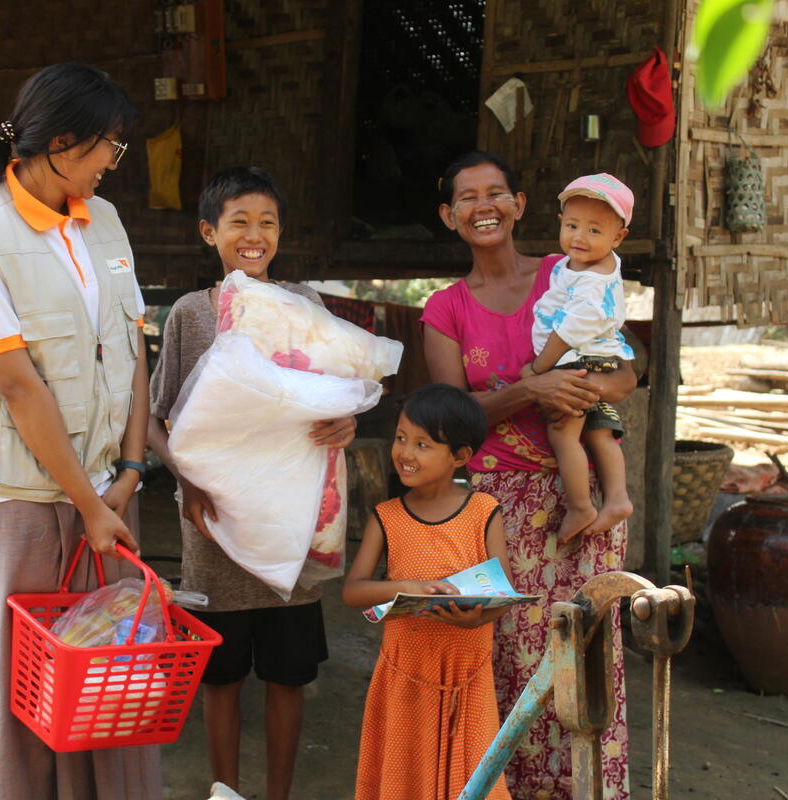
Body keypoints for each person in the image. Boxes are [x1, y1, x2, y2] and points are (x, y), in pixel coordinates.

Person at [0, 64, 160, 800]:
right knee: (35, 694)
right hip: (23, 501)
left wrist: (128, 473)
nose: (111, 163)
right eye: (107, 147)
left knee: (112, 685)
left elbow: (130, 350)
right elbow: (17, 385)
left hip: (107, 493)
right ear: (60, 141)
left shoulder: (106, 221)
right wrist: (88, 505)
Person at [420, 151, 637, 800]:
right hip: (496, 507)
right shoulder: (446, 308)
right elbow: (452, 417)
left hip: (579, 500)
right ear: (449, 216)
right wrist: (534, 388)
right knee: (508, 658)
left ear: (519, 205)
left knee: (585, 657)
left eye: (496, 193)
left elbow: (628, 368)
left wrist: (592, 386)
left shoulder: (568, 273)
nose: (482, 205)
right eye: (466, 196)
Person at [146, 166, 355, 800]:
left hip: (291, 521)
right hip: (214, 526)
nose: (254, 234)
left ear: (281, 232)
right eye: (239, 221)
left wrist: (344, 419)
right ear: (210, 232)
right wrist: (191, 484)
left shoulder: (306, 306)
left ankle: (278, 794)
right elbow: (157, 420)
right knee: (222, 675)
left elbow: (333, 392)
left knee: (289, 675)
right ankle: (224, 792)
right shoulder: (190, 314)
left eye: (267, 222)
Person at [343, 383, 513, 800]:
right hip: (406, 673)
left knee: (472, 782)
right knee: (405, 777)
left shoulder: (483, 511)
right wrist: (406, 587)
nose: (405, 453)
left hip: (466, 672)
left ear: (460, 456)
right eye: (401, 438)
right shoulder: (387, 516)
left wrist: (477, 616)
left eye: (423, 444)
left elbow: (503, 595)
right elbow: (353, 591)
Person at [520, 173, 636, 543]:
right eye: (572, 225)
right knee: (599, 430)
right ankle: (617, 498)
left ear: (618, 238)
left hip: (574, 360)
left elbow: (568, 332)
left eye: (594, 230)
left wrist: (538, 369)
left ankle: (580, 506)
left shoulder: (593, 282)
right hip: (595, 359)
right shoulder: (579, 267)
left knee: (562, 432)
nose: (579, 237)